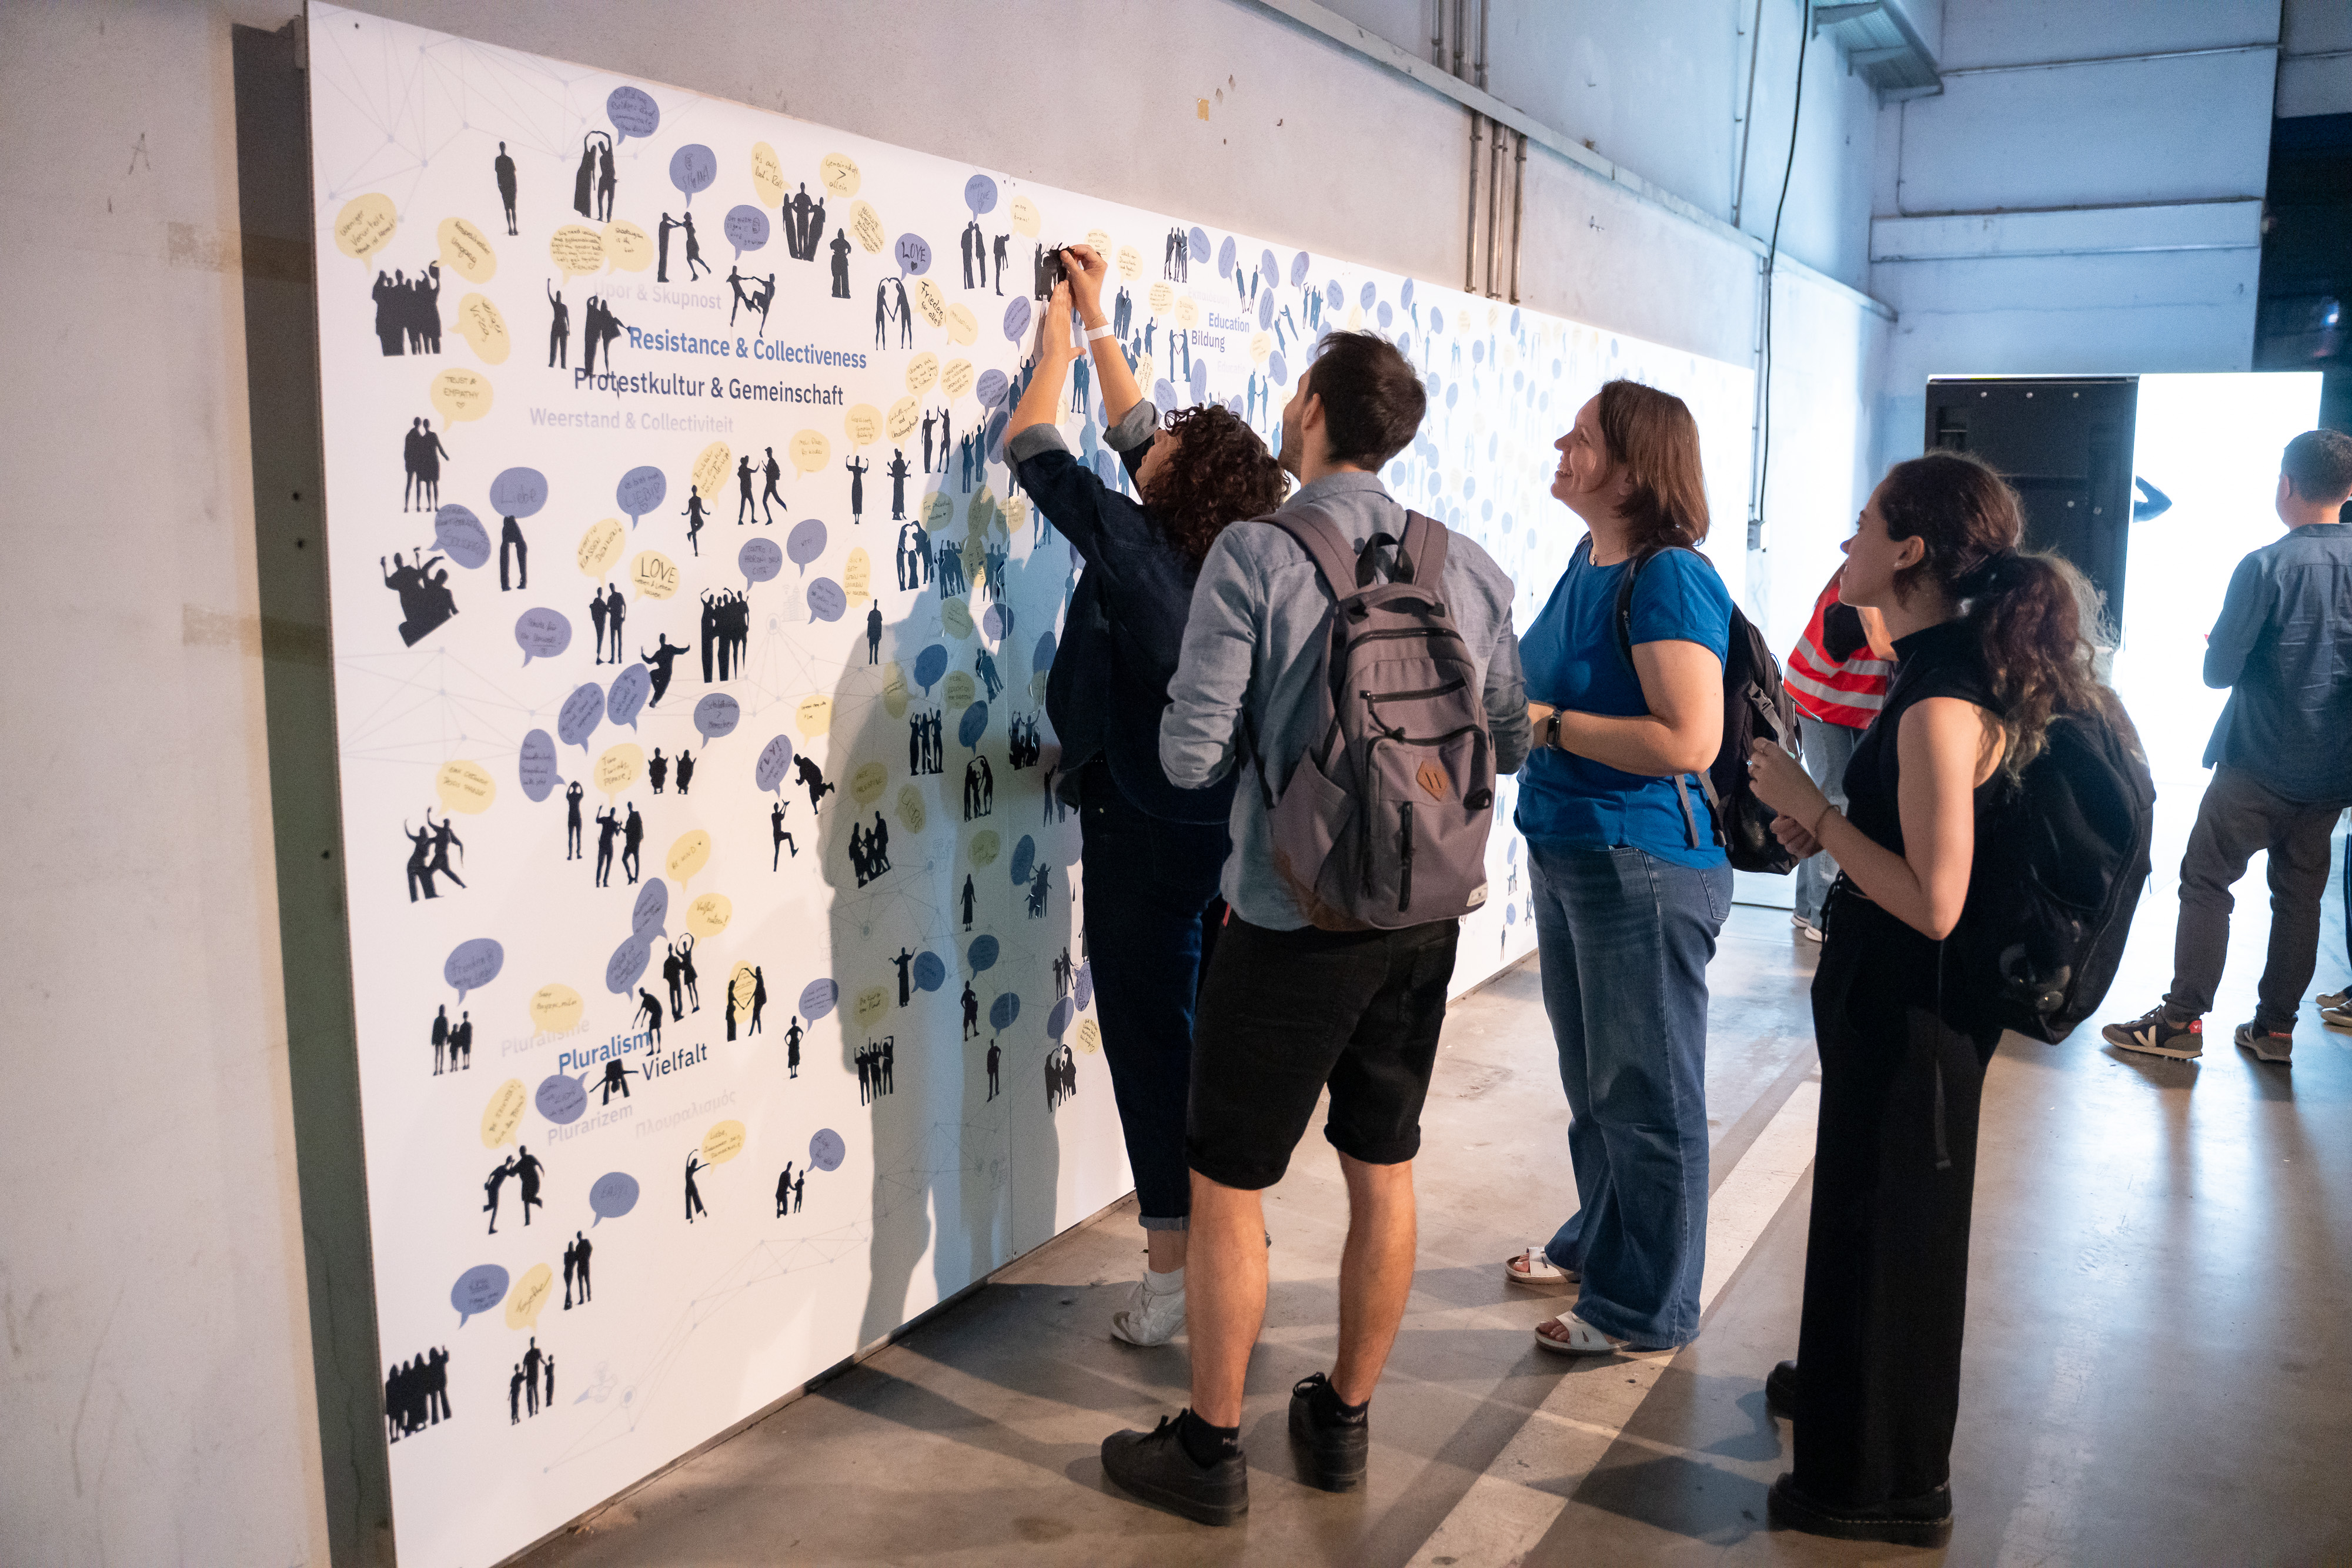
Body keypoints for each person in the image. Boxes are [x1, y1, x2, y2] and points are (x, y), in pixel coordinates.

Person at [1098, 329, 1528, 1523]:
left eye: (1297, 391)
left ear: (1314, 411)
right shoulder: (1465, 562)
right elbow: (1508, 738)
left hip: (1291, 915)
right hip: (1426, 913)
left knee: (1228, 1182)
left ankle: (1209, 1448)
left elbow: (1190, 757)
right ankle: (1340, 1421)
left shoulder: (1256, 552)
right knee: (1382, 1162)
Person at [1746, 450, 2137, 1546]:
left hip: (1912, 1012)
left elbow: (1933, 901)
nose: (1847, 542)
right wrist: (1835, 827)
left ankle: (1886, 1482)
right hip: (1906, 1010)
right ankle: (1851, 1405)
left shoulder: (1938, 697)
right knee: (1877, 1223)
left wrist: (1822, 812)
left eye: (1866, 523)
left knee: (1895, 1238)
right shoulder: (1943, 665)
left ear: (1911, 549)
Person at [1502, 382, 1735, 1361]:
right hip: (1572, 849)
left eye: (1585, 437)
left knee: (1646, 1095)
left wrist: (1551, 725)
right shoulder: (1587, 558)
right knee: (1596, 1087)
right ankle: (1601, 1242)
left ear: (1636, 470)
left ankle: (1646, 1305)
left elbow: (1689, 739)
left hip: (1641, 861)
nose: (1563, 444)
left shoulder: (1669, 575)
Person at [2105, 429, 2352, 1062]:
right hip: (2332, 770)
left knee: (2207, 879)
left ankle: (2181, 1024)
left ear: (2286, 485)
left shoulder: (2265, 565)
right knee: (2299, 897)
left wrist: (2222, 643)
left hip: (2256, 763)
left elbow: (2219, 673)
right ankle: (2275, 1031)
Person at [1782, 567, 1893, 939]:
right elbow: (1883, 644)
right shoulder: (1864, 581)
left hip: (1843, 699)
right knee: (1836, 801)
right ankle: (1823, 917)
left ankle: (1806, 908)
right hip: (1822, 699)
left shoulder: (1868, 578)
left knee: (1830, 796)